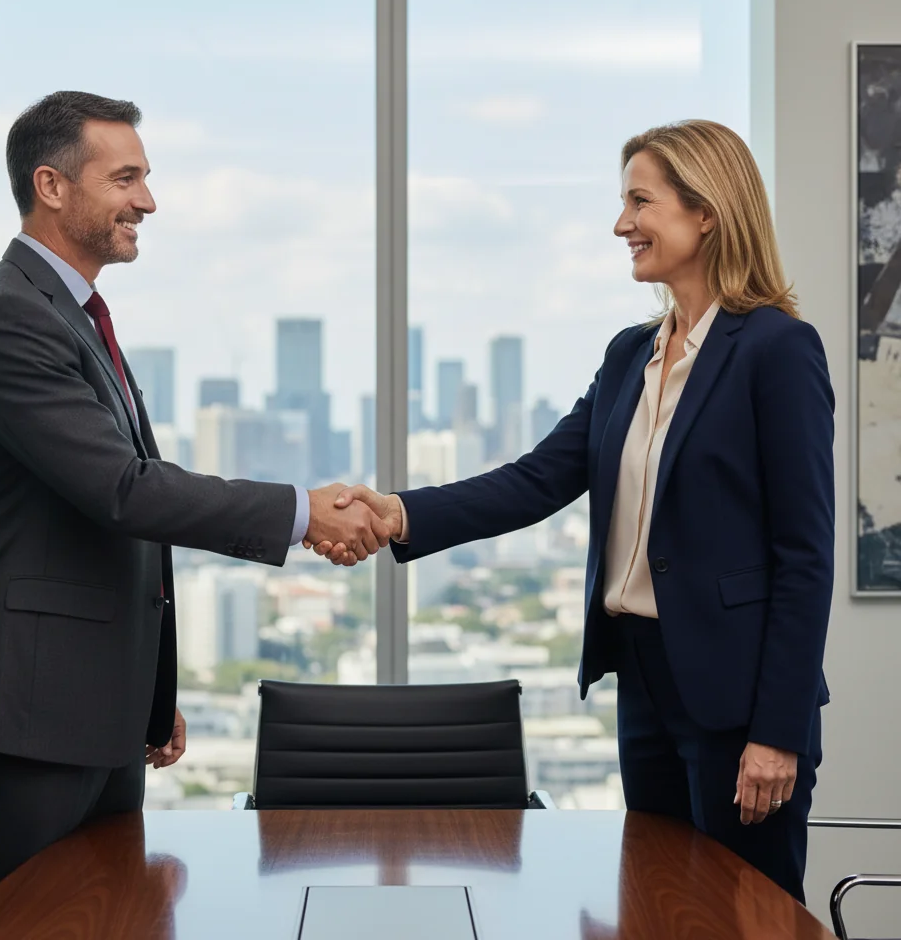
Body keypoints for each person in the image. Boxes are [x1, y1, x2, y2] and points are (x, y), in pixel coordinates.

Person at [310, 120, 834, 903]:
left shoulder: (776, 349)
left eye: (640, 201)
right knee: (657, 901)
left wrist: (778, 732)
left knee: (744, 912)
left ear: (707, 213)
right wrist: (397, 513)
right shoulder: (633, 354)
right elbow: (536, 479)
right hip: (645, 679)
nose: (621, 224)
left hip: (737, 700)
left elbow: (805, 556)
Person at [0, 90, 390, 909]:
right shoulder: (8, 318)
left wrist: (145, 690)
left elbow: (104, 518)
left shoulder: (70, 317)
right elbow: (123, 491)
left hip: (87, 708)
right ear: (53, 186)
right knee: (24, 929)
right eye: (126, 178)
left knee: (110, 918)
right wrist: (303, 511)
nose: (147, 200)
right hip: (30, 711)